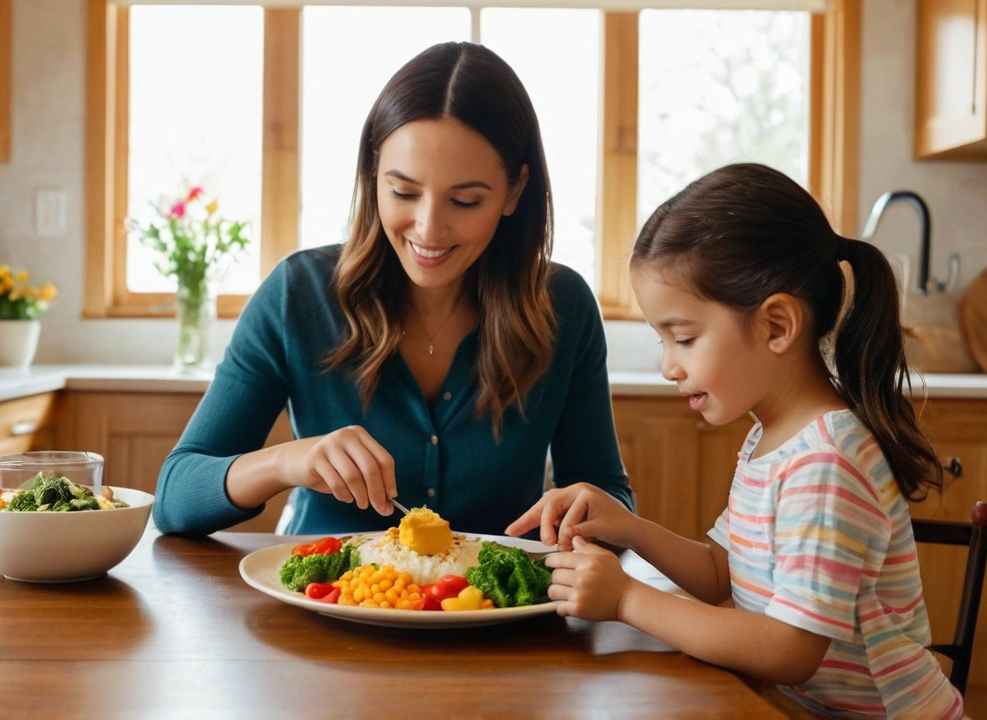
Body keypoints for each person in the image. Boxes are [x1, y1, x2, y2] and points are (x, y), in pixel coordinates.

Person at [508, 163, 963, 718]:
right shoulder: (770, 439)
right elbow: (725, 575)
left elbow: (789, 649)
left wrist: (628, 599)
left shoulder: (825, 460)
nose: (669, 366)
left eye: (684, 338)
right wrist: (626, 526)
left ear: (776, 326)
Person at [153, 41, 633, 537]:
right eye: (403, 192)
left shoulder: (564, 306)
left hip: (506, 612)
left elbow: (608, 494)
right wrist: (285, 462)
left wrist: (585, 515)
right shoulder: (296, 294)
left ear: (515, 191)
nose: (428, 229)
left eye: (465, 201)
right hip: (324, 605)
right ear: (372, 174)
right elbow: (174, 497)